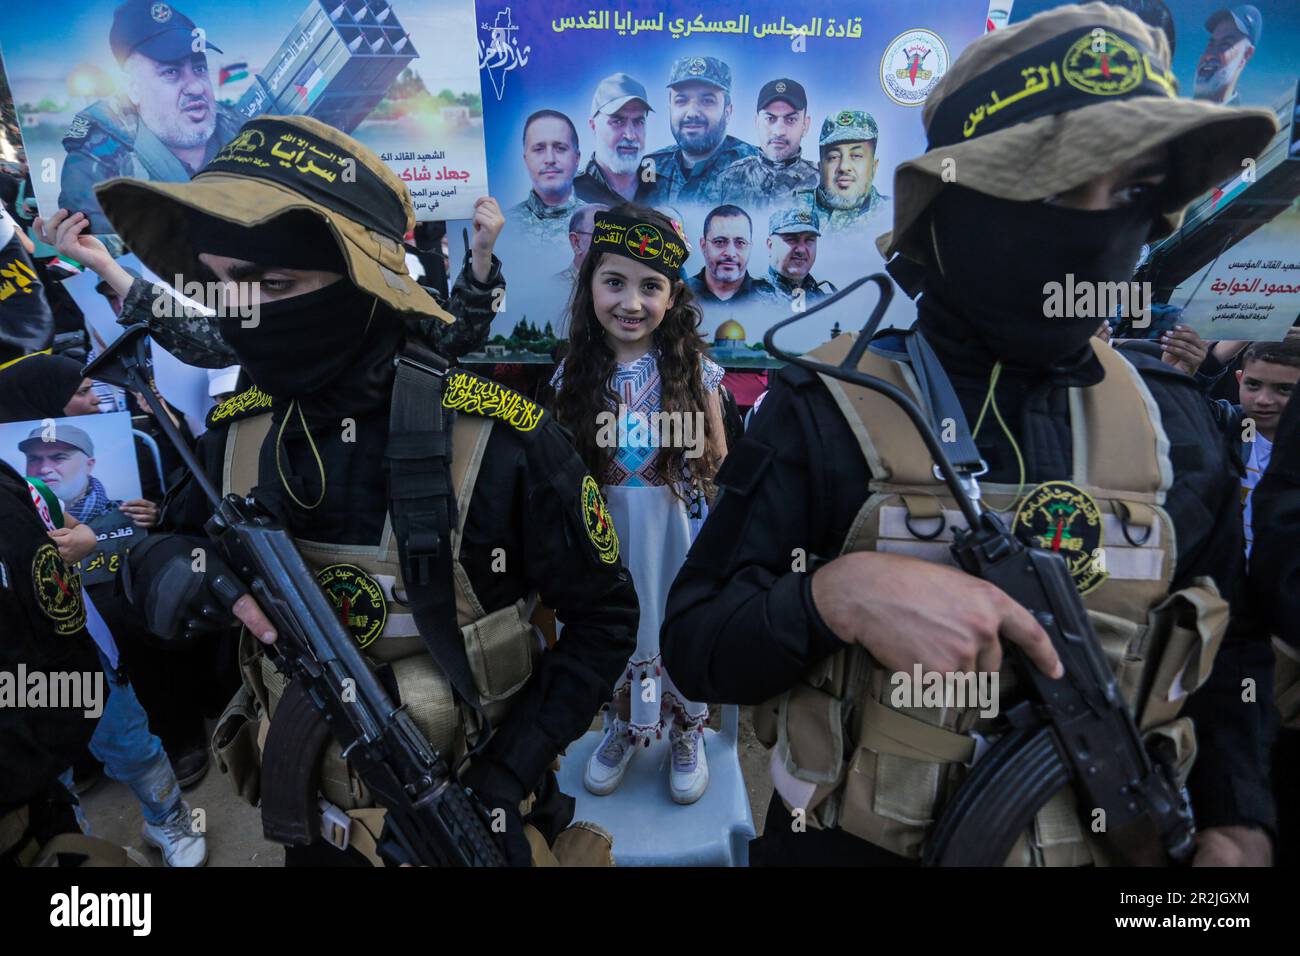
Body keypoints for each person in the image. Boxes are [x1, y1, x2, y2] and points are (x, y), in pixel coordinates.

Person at [662, 2, 1280, 867]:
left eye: (1134, 192)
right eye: (1065, 188)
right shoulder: (826, 409)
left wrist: (1242, 819)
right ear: (959, 205)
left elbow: (1228, 653)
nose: (1102, 230)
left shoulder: (1182, 428)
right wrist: (832, 597)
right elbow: (696, 646)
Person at [92, 113, 638, 867]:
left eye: (273, 284)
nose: (242, 312)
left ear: (359, 279)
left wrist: (503, 777)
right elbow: (154, 559)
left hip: (467, 822)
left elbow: (606, 618)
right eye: (222, 286)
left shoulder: (501, 445)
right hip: (311, 831)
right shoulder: (232, 437)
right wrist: (164, 574)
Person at [550, 206, 727, 804]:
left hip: (674, 528)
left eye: (650, 286)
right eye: (614, 282)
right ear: (590, 284)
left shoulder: (693, 369)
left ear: (673, 295)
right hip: (608, 533)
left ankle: (686, 729)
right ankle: (624, 726)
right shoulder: (575, 372)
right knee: (618, 628)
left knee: (673, 622)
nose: (631, 302)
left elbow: (716, 453)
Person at [58, 0, 242, 234]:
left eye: (199, 68)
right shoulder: (98, 158)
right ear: (133, 87)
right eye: (171, 72)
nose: (196, 87)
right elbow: (107, 253)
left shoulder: (242, 128)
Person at [1206, 340, 1300, 557]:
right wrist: (1214, 360)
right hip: (1228, 579)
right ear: (1239, 380)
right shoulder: (1228, 424)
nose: (1263, 400)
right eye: (1253, 385)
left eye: (1284, 389)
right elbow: (1186, 403)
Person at [643, 56, 757, 206]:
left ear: (727, 112)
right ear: (670, 107)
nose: (692, 113)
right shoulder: (650, 167)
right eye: (681, 101)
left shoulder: (758, 168)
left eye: (707, 101)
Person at [707, 79, 818, 209]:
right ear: (757, 122)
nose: (779, 131)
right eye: (770, 119)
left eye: (791, 119)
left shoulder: (822, 183)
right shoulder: (728, 180)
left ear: (805, 125)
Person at [573, 75, 655, 206]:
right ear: (593, 126)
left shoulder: (663, 187)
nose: (630, 135)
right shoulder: (572, 194)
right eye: (617, 121)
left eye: (638, 122)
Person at [812, 109, 891, 234]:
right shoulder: (790, 207)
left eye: (856, 156)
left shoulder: (894, 215)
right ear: (820, 167)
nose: (843, 167)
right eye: (834, 157)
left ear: (874, 167)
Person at [510, 110, 585, 240]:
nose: (550, 159)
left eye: (560, 148)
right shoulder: (503, 226)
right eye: (539, 149)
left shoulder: (601, 222)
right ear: (526, 159)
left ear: (577, 158)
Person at [684, 205, 774, 307]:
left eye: (740, 243)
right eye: (720, 242)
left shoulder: (771, 299)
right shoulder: (680, 294)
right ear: (703, 245)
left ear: (750, 247)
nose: (730, 253)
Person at [764, 207, 835, 307]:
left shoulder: (827, 302)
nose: (801, 249)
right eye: (791, 239)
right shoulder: (748, 298)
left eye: (809, 240)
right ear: (770, 245)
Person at [1194, 5, 1260, 105]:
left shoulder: (1244, 121)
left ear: (1246, 55)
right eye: (1210, 45)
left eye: (1225, 44)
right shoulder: (1174, 115)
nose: (1209, 56)